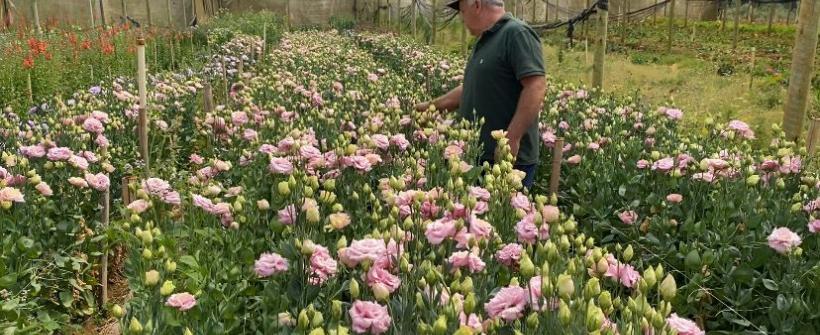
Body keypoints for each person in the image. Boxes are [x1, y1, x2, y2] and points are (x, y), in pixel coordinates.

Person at [415, 0, 546, 188]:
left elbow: (536, 86)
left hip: (505, 160)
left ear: (476, 5)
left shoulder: (516, 33)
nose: (461, 18)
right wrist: (432, 106)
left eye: (462, 11)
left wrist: (511, 138)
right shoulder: (485, 41)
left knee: (499, 216)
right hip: (477, 155)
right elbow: (471, 88)